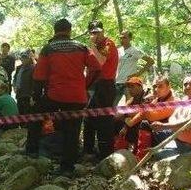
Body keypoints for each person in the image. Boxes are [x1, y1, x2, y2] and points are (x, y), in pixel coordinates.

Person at [26, 18, 101, 178]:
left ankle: (31, 151)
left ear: (55, 31)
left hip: (55, 96)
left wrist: (36, 97)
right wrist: (85, 85)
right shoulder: (82, 47)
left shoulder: (48, 49)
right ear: (70, 31)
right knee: (72, 131)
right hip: (77, 97)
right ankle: (67, 167)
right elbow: (96, 68)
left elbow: (39, 76)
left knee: (35, 116)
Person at [82, 20, 119, 161]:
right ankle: (88, 150)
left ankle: (105, 153)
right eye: (92, 32)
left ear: (103, 31)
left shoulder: (108, 44)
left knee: (104, 120)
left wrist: (92, 45)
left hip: (106, 85)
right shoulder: (95, 47)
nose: (95, 35)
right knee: (89, 118)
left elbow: (102, 61)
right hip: (95, 86)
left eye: (97, 32)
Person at [114, 31, 154, 106]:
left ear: (130, 38)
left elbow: (150, 61)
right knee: (112, 106)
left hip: (129, 83)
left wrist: (138, 73)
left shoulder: (134, 51)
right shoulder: (118, 50)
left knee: (129, 106)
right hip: (117, 82)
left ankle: (129, 118)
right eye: (121, 38)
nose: (122, 40)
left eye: (125, 38)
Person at [114, 77, 147, 148]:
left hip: (144, 126)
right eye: (128, 87)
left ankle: (137, 149)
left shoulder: (146, 97)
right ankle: (116, 146)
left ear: (140, 87)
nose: (129, 89)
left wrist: (126, 125)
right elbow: (122, 112)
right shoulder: (132, 99)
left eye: (132, 86)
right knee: (115, 120)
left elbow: (141, 114)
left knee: (139, 123)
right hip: (131, 124)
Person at [12, 50, 35, 115]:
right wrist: (14, 86)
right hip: (19, 94)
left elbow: (34, 83)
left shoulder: (33, 68)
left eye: (25, 58)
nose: (23, 59)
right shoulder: (19, 68)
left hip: (28, 95)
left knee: (27, 114)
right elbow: (14, 78)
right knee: (20, 113)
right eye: (22, 58)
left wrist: (32, 96)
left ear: (29, 58)